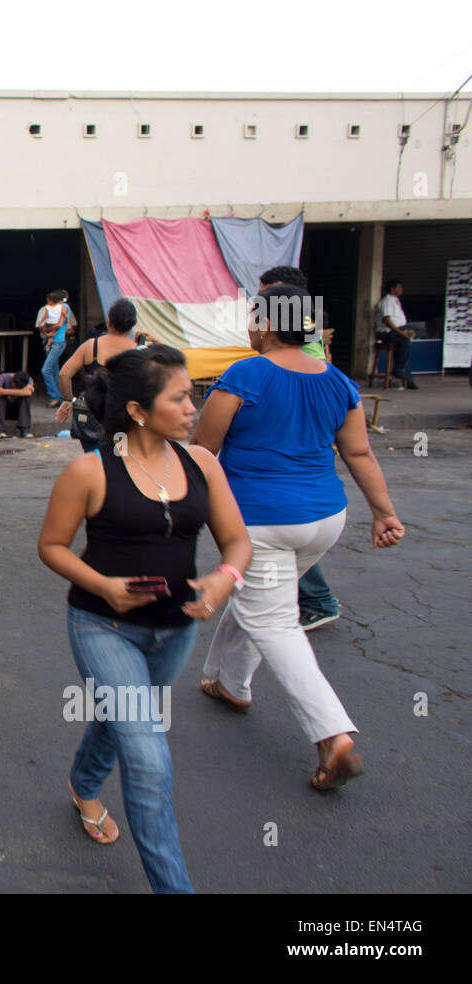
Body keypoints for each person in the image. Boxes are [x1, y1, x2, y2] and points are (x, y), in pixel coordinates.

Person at [38, 345, 252, 894]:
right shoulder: (90, 471)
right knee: (149, 757)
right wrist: (105, 586)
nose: (192, 408)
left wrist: (225, 578)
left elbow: (237, 541)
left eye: (193, 396)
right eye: (179, 398)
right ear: (138, 410)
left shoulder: (201, 463)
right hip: (102, 627)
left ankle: (83, 782)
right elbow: (52, 546)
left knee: (125, 720)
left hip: (176, 631)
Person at [191, 284, 405, 791]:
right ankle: (230, 683)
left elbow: (202, 447)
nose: (249, 326)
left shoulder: (245, 374)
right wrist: (384, 513)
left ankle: (332, 736)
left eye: (253, 317)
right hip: (325, 520)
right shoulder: (337, 380)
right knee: (261, 600)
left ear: (266, 324)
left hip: (260, 522)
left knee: (274, 621)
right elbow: (358, 454)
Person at [255, 266, 340, 630]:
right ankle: (309, 601)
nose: (260, 302)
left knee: (286, 528)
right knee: (289, 531)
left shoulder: (302, 342)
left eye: (267, 295)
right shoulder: (296, 336)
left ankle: (315, 600)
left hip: (293, 452)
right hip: (294, 452)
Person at [57, 298, 143, 451]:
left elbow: (64, 375)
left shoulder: (91, 346)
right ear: (133, 323)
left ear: (109, 321)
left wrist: (68, 400)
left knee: (94, 458)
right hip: (122, 420)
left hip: (92, 418)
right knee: (120, 459)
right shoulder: (138, 351)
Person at [375, 279, 417, 390]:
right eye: (399, 287)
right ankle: (399, 369)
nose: (402, 289)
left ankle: (407, 377)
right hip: (387, 332)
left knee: (404, 348)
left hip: (397, 330)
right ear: (392, 289)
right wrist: (401, 333)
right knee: (404, 342)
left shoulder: (395, 301)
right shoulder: (387, 301)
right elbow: (387, 320)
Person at [37, 290, 69, 406]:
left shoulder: (64, 307)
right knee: (54, 371)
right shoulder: (52, 308)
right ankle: (59, 397)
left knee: (46, 370)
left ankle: (54, 396)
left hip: (58, 342)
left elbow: (59, 325)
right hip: (52, 341)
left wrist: (47, 332)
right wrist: (47, 334)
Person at [0, 370, 34, 439]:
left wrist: (4, 391)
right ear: (13, 378)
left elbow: (28, 392)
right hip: (5, 411)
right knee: (0, 398)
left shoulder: (29, 379)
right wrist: (20, 391)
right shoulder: (4, 377)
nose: (14, 386)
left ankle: (24, 429)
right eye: (14, 384)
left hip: (19, 412)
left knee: (26, 397)